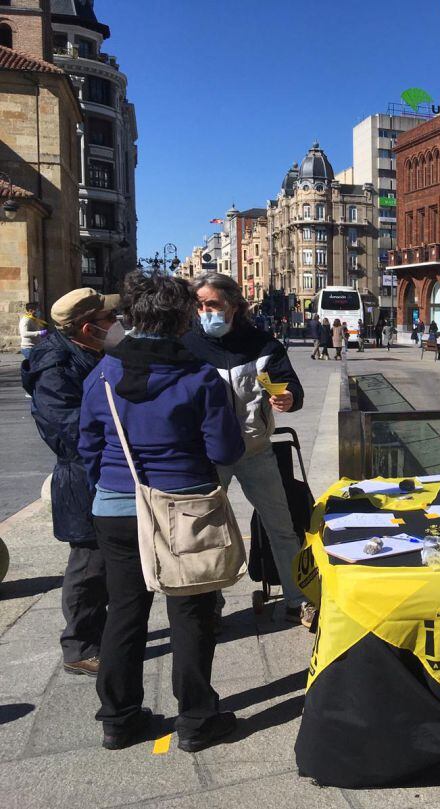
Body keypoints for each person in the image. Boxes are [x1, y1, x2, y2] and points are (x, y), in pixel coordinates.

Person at [78, 271, 245, 752]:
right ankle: (196, 719)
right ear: (182, 320)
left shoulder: (103, 374)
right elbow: (226, 449)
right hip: (183, 505)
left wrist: (110, 487)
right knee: (191, 612)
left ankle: (119, 717)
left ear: (132, 316)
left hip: (114, 505)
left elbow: (87, 445)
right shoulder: (198, 377)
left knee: (125, 610)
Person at [183, 272, 316, 628]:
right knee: (207, 533)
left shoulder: (263, 344)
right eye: (200, 305)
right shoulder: (186, 346)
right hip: (208, 455)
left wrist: (289, 398)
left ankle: (297, 599)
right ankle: (210, 602)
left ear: (234, 306)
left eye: (213, 304)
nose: (205, 312)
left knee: (282, 526)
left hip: (255, 450)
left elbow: (292, 388)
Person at [21, 289, 122, 677]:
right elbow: (64, 428)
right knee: (88, 561)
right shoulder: (56, 364)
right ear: (87, 328)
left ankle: (101, 632)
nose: (115, 325)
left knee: (104, 558)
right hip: (82, 474)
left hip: (102, 467)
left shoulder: (91, 351)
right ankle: (79, 646)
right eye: (108, 319)